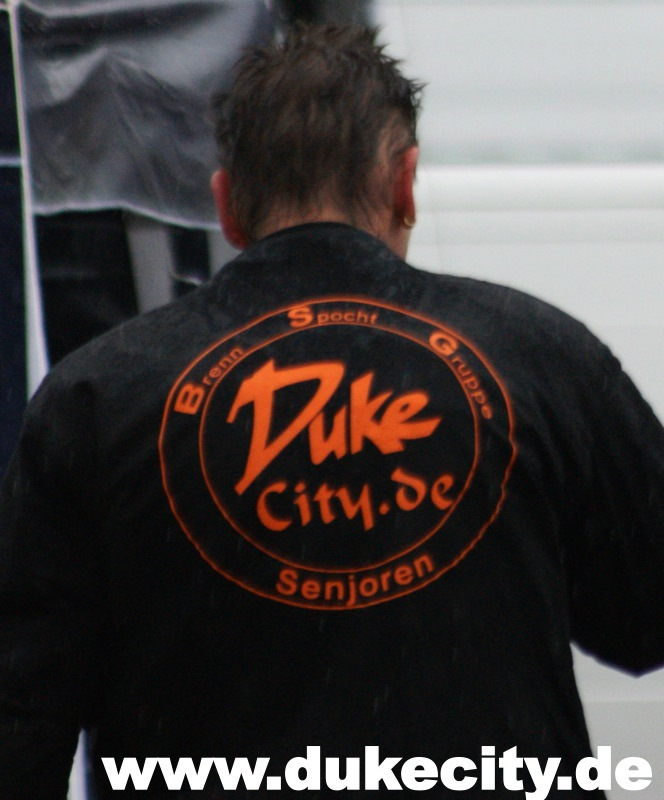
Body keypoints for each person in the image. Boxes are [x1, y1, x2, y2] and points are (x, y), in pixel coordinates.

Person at [1, 24, 662, 800]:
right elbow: (645, 620)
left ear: (226, 205)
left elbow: (22, 719)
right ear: (405, 184)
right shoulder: (543, 359)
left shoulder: (97, 399)